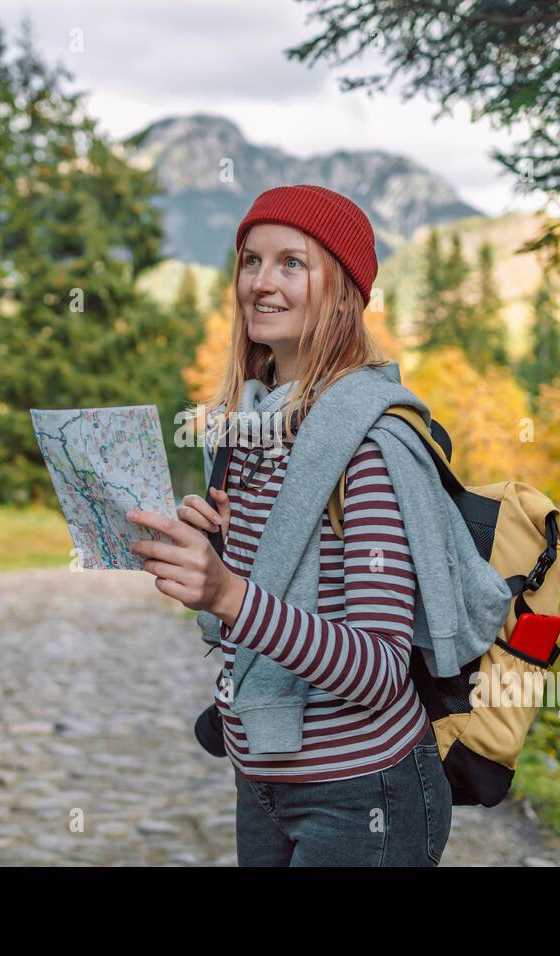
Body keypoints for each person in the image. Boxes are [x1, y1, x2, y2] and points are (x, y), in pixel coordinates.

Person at [128, 184, 453, 866]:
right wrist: (214, 560)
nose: (260, 283)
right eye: (250, 261)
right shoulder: (248, 432)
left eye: (291, 264)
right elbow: (242, 629)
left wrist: (228, 593)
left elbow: (379, 671)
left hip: (365, 795)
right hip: (262, 777)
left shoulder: (368, 447)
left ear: (343, 294)